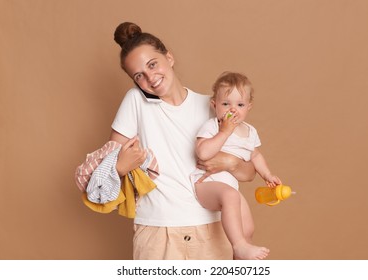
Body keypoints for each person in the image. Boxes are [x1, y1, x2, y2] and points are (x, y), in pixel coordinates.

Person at [79, 22, 257, 260]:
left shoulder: (213, 106)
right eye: (139, 75)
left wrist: (230, 163)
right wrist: (121, 166)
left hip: (214, 230)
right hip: (159, 232)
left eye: (153, 64)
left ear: (169, 58)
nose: (151, 78)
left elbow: (248, 172)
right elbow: (111, 160)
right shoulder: (135, 102)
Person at [191, 71, 282, 260]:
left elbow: (255, 155)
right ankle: (239, 245)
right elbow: (203, 152)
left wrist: (267, 175)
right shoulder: (213, 126)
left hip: (229, 188)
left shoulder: (250, 131)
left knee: (247, 227)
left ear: (249, 107)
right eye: (226, 104)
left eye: (240, 105)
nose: (233, 110)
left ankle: (240, 256)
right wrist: (225, 131)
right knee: (231, 196)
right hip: (206, 184)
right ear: (214, 105)